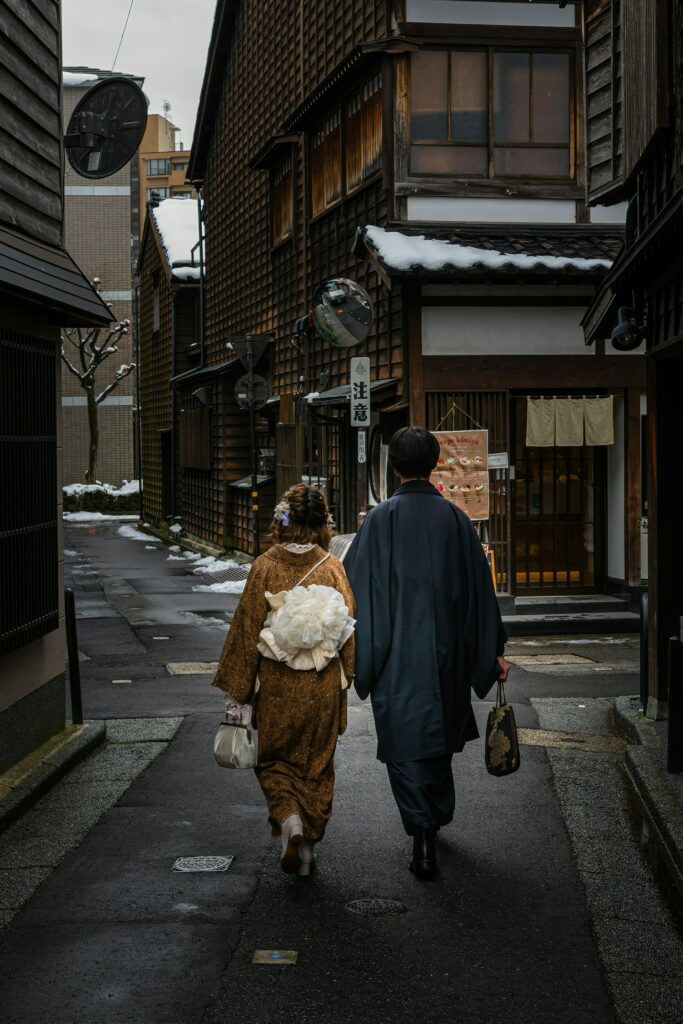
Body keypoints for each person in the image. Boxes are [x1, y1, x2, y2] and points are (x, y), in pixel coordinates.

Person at [344, 426, 510, 878]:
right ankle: (430, 827)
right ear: (435, 463)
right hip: (448, 656)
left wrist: (359, 655)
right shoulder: (456, 520)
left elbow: (354, 593)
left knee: (403, 747)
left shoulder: (379, 522)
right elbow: (480, 594)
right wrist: (490, 651)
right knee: (436, 745)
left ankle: (421, 834)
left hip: (395, 656)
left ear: (394, 467)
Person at [212, 484, 355, 877]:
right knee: (316, 765)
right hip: (322, 683)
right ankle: (307, 845)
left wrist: (238, 692)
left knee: (275, 762)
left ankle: (289, 821)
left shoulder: (264, 567)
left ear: (282, 521)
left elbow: (245, 631)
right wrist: (350, 676)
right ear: (322, 525)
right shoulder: (331, 567)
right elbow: (346, 628)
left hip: (276, 683)